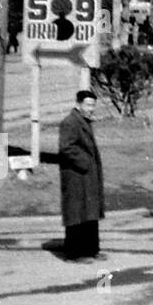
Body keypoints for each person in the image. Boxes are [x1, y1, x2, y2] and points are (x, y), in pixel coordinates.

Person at [59, 90, 105, 262]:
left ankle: (91, 250)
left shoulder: (83, 121)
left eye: (93, 105)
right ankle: (74, 253)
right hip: (76, 176)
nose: (91, 109)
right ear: (78, 104)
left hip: (86, 176)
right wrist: (85, 163)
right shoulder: (70, 122)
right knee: (77, 214)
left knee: (89, 213)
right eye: (88, 105)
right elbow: (66, 148)